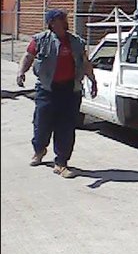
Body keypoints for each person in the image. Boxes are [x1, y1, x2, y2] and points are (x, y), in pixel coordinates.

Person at [16, 9, 98, 179]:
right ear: (52, 23)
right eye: (61, 19)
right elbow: (28, 56)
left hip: (70, 91)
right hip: (46, 90)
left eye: (65, 18)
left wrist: (93, 80)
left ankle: (61, 163)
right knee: (41, 125)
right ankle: (39, 150)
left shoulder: (76, 42)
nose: (65, 22)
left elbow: (85, 62)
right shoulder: (40, 40)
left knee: (66, 127)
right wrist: (21, 72)